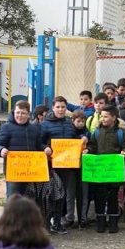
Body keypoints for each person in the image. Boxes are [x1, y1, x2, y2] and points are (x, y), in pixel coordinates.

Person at [85, 105, 125, 233]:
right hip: (100, 172)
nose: (103, 119)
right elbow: (92, 146)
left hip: (114, 172)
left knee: (113, 197)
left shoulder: (121, 133)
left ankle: (113, 222)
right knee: (100, 196)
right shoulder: (97, 132)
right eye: (101, 116)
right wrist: (88, 150)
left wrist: (124, 151)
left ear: (113, 117)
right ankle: (100, 222)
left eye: (106, 116)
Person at [42, 96, 86, 231]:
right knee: (50, 194)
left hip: (67, 166)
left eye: (63, 107)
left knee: (63, 194)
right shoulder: (45, 123)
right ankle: (46, 223)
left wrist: (82, 138)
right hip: (52, 165)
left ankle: (58, 222)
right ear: (53, 108)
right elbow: (39, 141)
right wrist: (45, 147)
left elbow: (75, 137)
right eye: (58, 107)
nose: (61, 110)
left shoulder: (69, 122)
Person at [0, 100, 51, 198]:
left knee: (30, 199)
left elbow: (38, 145)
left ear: (28, 114)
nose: (20, 115)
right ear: (14, 112)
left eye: (23, 113)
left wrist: (45, 148)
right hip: (14, 172)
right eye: (17, 112)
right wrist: (1, 150)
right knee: (13, 199)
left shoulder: (34, 129)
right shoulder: (6, 127)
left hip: (31, 171)